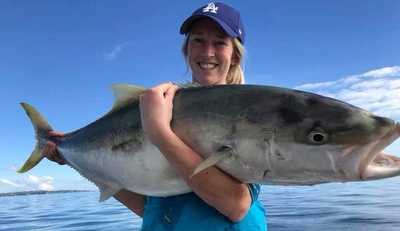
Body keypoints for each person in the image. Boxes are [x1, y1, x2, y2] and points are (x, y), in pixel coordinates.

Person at [43, 2, 267, 231]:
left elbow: (236, 206)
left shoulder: (245, 115)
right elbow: (148, 208)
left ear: (235, 56)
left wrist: (159, 133)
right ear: (187, 50)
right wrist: (72, 159)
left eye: (220, 42)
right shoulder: (159, 106)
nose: (207, 51)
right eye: (198, 40)